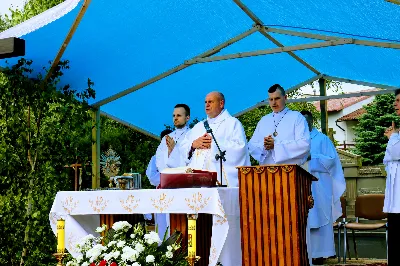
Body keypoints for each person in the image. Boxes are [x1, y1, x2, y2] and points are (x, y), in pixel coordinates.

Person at [301, 110, 346, 265]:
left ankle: (320, 254)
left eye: (307, 120)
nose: (304, 123)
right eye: (301, 121)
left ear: (312, 121)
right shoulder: (295, 140)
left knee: (319, 216)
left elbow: (331, 161)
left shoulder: (322, 139)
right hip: (300, 185)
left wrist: (311, 159)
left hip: (319, 186)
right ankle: (302, 253)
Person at [180, 91, 250, 187]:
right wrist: (193, 145)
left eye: (211, 102)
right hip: (196, 181)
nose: (207, 105)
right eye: (205, 102)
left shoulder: (232, 123)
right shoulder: (198, 126)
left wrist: (214, 144)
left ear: (221, 103)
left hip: (220, 181)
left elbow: (240, 148)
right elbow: (183, 147)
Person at [248, 84, 310, 165]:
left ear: (285, 98)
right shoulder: (264, 120)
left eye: (277, 98)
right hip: (266, 171)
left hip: (291, 171)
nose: (274, 102)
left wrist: (276, 145)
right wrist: (264, 146)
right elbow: (251, 145)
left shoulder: (297, 117)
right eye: (271, 99)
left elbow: (304, 144)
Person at [383, 89, 400, 265]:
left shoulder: (396, 133)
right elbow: (387, 158)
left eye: (398, 100)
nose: (395, 104)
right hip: (395, 193)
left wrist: (392, 136)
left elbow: (395, 152)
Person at [156, 104, 191, 172]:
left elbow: (192, 159)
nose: (175, 118)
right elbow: (159, 160)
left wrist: (174, 150)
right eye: (174, 115)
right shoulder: (166, 138)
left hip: (185, 178)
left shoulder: (192, 135)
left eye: (179, 115)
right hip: (168, 178)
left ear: (187, 118)